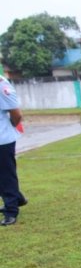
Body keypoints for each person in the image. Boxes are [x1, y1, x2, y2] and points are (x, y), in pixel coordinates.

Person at [0, 74, 28, 226]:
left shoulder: (2, 86)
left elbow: (16, 114)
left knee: (5, 176)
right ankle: (18, 198)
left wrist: (9, 127)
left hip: (2, 140)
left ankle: (11, 211)